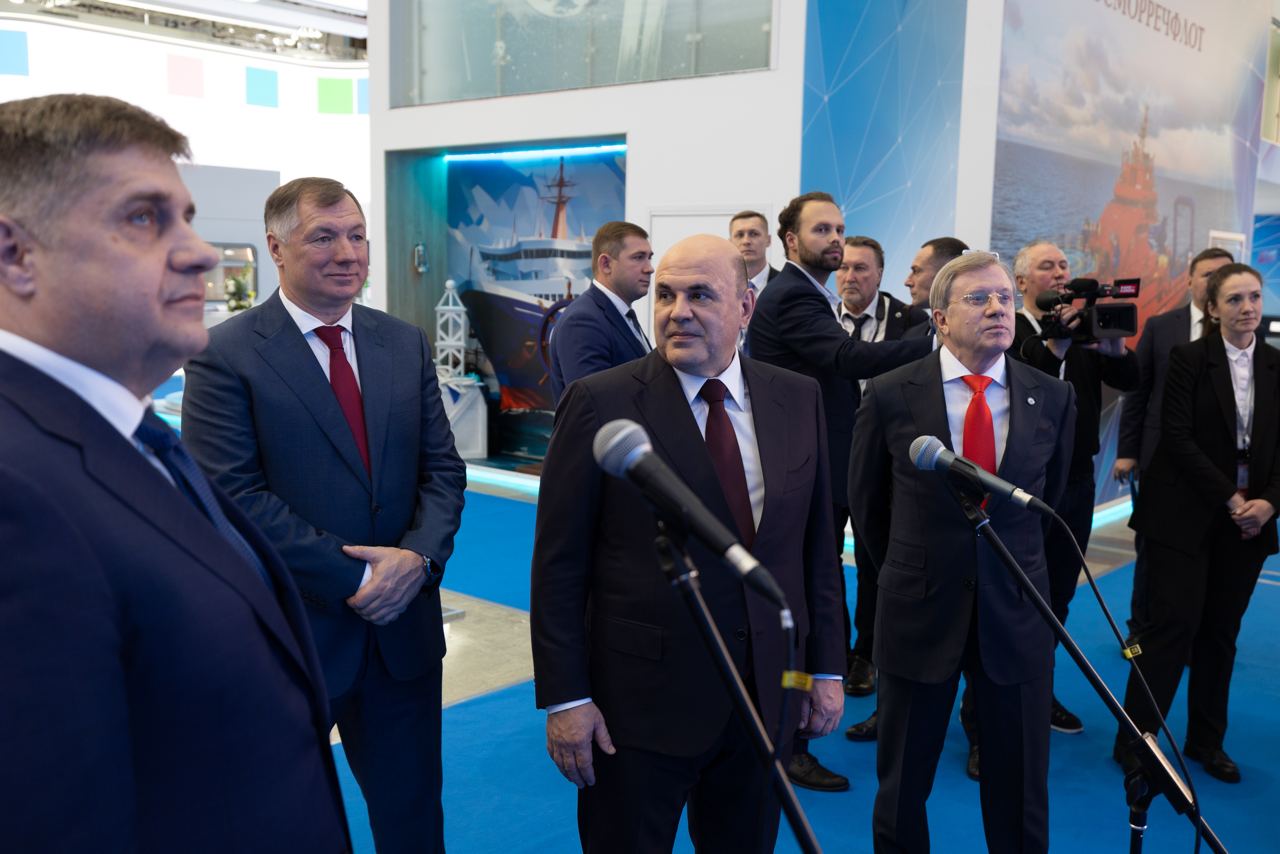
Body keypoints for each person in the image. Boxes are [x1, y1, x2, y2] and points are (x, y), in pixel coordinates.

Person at [0, 94, 349, 851]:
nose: (200, 252)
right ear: (15, 255)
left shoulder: (135, 432)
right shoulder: (14, 492)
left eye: (185, 217)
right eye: (143, 218)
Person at [530, 234, 845, 853]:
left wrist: (826, 666)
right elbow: (559, 565)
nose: (678, 311)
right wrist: (566, 697)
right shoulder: (600, 402)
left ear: (745, 306)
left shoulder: (796, 396)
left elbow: (815, 550)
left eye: (701, 295)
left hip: (766, 695)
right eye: (666, 295)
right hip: (639, 706)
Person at [182, 178, 466, 854]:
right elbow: (232, 496)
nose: (348, 252)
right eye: (324, 237)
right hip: (292, 636)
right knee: (279, 822)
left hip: (402, 641)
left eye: (357, 235)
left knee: (413, 820)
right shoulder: (224, 353)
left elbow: (443, 471)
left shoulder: (402, 341)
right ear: (276, 248)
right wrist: (361, 580)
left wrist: (418, 559)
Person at [849, 251, 1074, 853]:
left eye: (1004, 297)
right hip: (919, 612)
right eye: (979, 299)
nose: (998, 308)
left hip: (1018, 615)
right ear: (941, 319)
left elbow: (1051, 504)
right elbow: (868, 507)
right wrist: (915, 569)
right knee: (902, 790)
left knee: (1020, 793)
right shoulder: (892, 394)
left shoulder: (1052, 396)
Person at [747, 192, 931, 791]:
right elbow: (847, 358)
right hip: (801, 472)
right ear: (790, 240)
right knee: (802, 604)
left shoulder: (806, 292)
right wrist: (935, 343)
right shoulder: (794, 294)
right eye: (822, 229)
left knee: (813, 596)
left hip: (815, 468)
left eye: (840, 230)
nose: (835, 240)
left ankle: (789, 729)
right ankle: (790, 741)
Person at [1114, 263, 1279, 785]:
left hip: (1248, 524)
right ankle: (1137, 740)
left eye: (1254, 297)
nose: (1247, 308)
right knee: (1168, 630)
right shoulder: (1189, 359)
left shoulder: (1276, 364)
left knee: (1220, 634)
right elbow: (1178, 438)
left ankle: (1207, 742)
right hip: (1182, 515)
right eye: (1234, 299)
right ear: (1212, 308)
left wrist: (1269, 504)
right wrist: (1233, 499)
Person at [1008, 240, 1138, 734]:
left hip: (1077, 480)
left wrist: (1115, 349)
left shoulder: (1085, 328)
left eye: (1064, 265)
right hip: (1024, 481)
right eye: (1048, 266)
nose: (1061, 272)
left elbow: (1131, 379)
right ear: (1022, 281)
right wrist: (1054, 347)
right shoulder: (1009, 329)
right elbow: (1025, 389)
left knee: (1059, 592)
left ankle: (1037, 688)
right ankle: (987, 703)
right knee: (1013, 593)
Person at [1113, 247, 1234, 644]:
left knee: (1210, 551)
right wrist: (1127, 451)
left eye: (1224, 274)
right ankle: (1140, 632)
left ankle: (1193, 632)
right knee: (1153, 549)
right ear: (1190, 280)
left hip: (1219, 466)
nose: (1215, 281)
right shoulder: (1162, 326)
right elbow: (1138, 391)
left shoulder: (1239, 334)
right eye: (1208, 274)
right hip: (1161, 460)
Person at [836, 235, 928, 695]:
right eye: (843, 267)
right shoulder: (819, 319)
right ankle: (831, 649)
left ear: (880, 274)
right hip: (829, 460)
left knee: (876, 561)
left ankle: (867, 653)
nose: (849, 276)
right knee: (823, 558)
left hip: (885, 466)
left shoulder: (911, 321)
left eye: (861, 268)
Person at [548, 220, 654, 405]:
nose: (649, 268)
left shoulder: (621, 314)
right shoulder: (582, 322)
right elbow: (592, 406)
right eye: (638, 257)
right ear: (606, 264)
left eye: (649, 257)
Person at [902, 236, 969, 328]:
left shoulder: (983, 332)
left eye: (916, 271)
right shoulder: (911, 335)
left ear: (947, 273)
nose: (907, 282)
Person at [729, 209, 780, 293]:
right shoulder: (719, 286)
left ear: (768, 240)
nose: (746, 241)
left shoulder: (787, 284)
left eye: (754, 234)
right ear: (730, 242)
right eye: (740, 235)